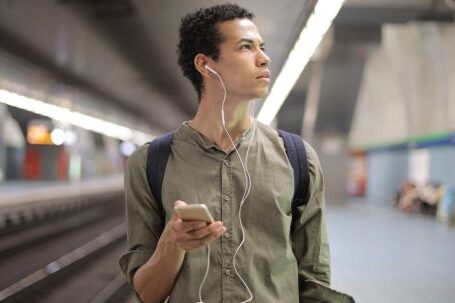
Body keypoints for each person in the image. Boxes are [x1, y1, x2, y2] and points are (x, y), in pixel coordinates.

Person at [119, 3, 346, 303]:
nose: (264, 58)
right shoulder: (150, 164)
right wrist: (172, 243)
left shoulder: (298, 158)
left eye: (262, 47)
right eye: (245, 47)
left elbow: (316, 281)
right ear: (205, 64)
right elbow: (146, 294)